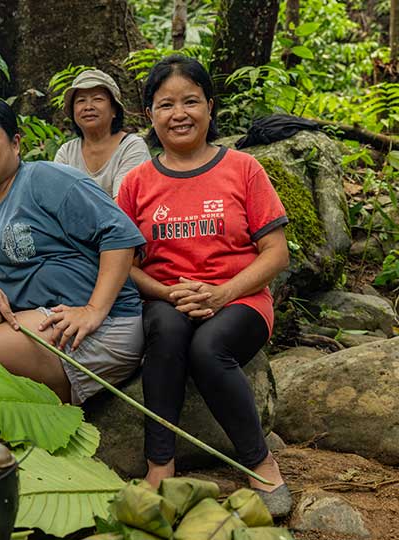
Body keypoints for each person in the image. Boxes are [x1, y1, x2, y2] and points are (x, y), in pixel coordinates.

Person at [116, 55, 292, 516]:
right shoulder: (136, 182)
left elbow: (276, 253)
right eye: (166, 104)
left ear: (210, 108)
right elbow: (121, 264)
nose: (179, 114)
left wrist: (222, 293)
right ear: (150, 115)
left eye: (191, 101)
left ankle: (259, 461)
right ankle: (161, 463)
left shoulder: (243, 168)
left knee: (208, 348)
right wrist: (165, 291)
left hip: (241, 298)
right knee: (168, 335)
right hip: (167, 297)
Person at [0, 96, 146, 405]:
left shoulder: (46, 179)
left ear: (15, 143)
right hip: (25, 320)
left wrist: (93, 310)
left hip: (97, 323)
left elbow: (119, 234)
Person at [54, 69, 150, 199]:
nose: (88, 107)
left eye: (97, 99)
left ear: (114, 110)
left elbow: (123, 205)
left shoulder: (132, 147)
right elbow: (56, 201)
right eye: (81, 101)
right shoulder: (66, 152)